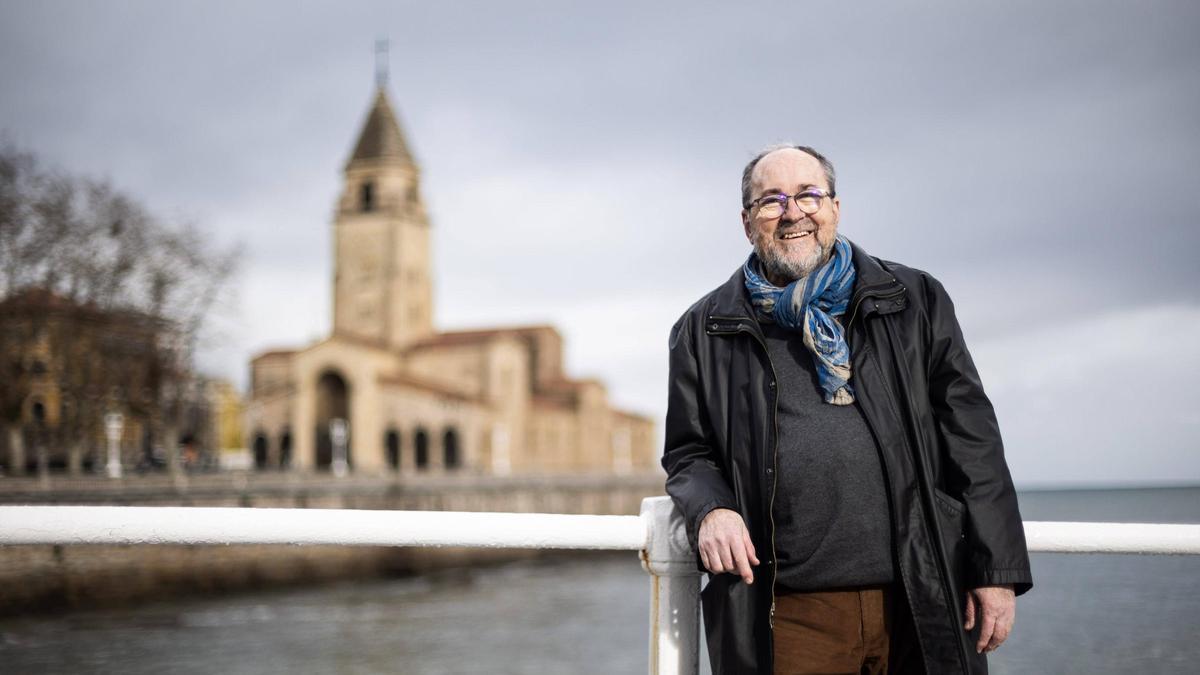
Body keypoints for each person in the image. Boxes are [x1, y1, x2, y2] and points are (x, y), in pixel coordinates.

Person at [662, 145, 1032, 674]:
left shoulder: (914, 300)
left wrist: (995, 570)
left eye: (809, 195)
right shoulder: (702, 329)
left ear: (835, 207)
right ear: (747, 223)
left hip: (921, 591)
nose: (793, 213)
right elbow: (689, 451)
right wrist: (711, 509)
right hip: (787, 612)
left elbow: (971, 436)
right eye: (772, 201)